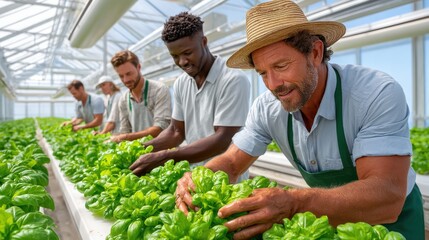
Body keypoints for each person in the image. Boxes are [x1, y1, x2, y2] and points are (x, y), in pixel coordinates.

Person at [175, 1, 424, 239]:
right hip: (326, 223)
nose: (273, 85)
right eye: (263, 73)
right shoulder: (267, 109)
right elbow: (231, 162)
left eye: (281, 66)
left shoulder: (374, 93)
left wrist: (295, 202)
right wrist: (199, 177)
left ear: (315, 52)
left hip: (392, 225)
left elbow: (386, 196)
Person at [129, 12, 251, 177]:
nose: (182, 62)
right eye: (175, 56)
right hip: (193, 177)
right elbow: (176, 131)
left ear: (204, 42)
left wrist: (165, 156)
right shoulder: (181, 83)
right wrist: (140, 149)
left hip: (225, 180)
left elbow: (223, 139)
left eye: (187, 53)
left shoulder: (232, 79)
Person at [109, 50, 172, 143]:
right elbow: (125, 130)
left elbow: (161, 128)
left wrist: (125, 137)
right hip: (141, 151)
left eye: (128, 73)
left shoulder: (159, 90)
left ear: (138, 67)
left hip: (163, 151)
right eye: (121, 76)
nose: (125, 80)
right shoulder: (123, 100)